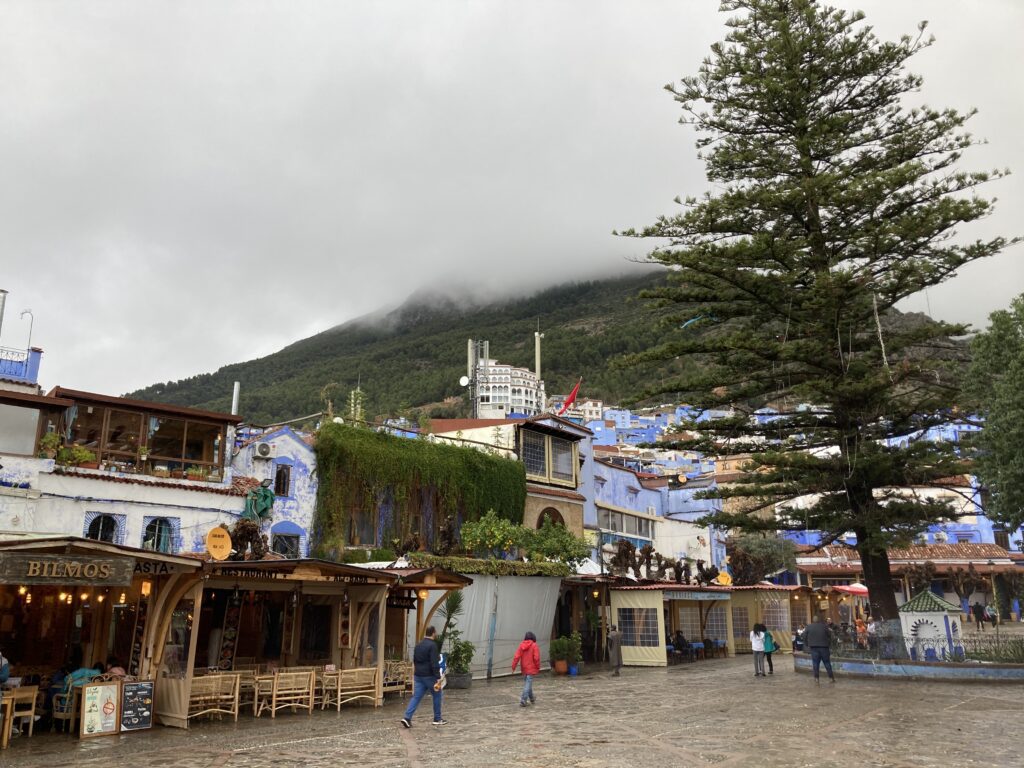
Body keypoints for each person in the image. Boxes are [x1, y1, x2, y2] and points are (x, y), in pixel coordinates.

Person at [400, 625, 446, 728]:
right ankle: (437, 718)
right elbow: (434, 662)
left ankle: (407, 717)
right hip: (429, 676)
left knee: (416, 697)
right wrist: (438, 677)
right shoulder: (433, 645)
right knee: (437, 694)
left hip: (418, 675)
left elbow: (415, 660)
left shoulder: (418, 645)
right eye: (436, 633)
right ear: (433, 633)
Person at [511, 631, 541, 707]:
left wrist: (513, 667)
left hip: (524, 668)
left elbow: (516, 657)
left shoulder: (521, 645)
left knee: (528, 683)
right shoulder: (534, 645)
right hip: (531, 668)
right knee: (528, 684)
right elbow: (536, 658)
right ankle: (523, 700)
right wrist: (538, 666)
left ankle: (532, 698)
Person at [805, 615, 835, 684]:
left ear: (813, 620)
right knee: (827, 663)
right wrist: (828, 643)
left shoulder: (809, 627)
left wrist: (807, 644)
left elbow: (804, 636)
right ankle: (831, 678)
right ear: (818, 620)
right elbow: (830, 636)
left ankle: (816, 679)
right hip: (824, 647)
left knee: (815, 663)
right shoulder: (824, 626)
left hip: (814, 648)